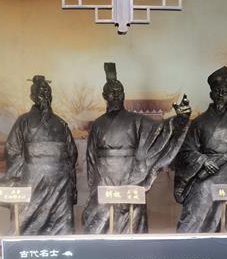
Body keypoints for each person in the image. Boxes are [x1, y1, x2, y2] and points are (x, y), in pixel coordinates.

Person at [82, 63, 191, 234]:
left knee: (131, 217)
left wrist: (180, 119)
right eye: (112, 92)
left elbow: (160, 131)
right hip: (104, 176)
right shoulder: (98, 124)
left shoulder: (137, 120)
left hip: (131, 174)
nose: (116, 95)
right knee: (100, 218)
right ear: (104, 96)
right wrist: (92, 185)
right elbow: (91, 157)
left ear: (124, 94)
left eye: (119, 91)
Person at [173, 66, 227, 233]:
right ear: (211, 94)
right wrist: (203, 160)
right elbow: (186, 150)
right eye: (217, 91)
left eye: (225, 92)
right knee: (193, 218)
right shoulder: (199, 122)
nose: (220, 95)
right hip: (205, 176)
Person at [0, 75, 78, 235]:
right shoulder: (23, 122)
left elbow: (72, 154)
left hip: (59, 184)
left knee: (61, 226)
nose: (45, 95)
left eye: (48, 92)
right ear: (32, 96)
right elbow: (12, 151)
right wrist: (18, 178)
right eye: (41, 92)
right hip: (32, 181)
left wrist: (67, 179)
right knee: (27, 222)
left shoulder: (61, 124)